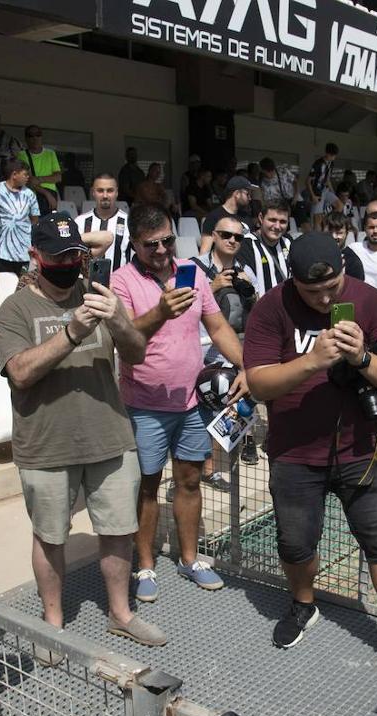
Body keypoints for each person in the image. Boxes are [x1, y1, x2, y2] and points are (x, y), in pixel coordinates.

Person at [242, 232, 377, 691]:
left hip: (363, 451)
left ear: (345, 266)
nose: (325, 298)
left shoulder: (370, 301)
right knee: (294, 543)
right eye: (312, 291)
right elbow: (260, 383)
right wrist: (312, 360)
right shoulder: (271, 307)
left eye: (332, 286)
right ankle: (303, 604)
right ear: (293, 281)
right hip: (295, 453)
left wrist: (362, 358)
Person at [0, 212, 166, 653]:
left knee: (117, 529)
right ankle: (53, 624)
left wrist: (119, 321)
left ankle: (120, 614)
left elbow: (136, 352)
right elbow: (20, 372)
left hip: (108, 436)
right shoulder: (16, 308)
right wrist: (72, 331)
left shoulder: (99, 294)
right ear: (35, 257)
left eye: (76, 255)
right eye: (59, 256)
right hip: (45, 444)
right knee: (51, 536)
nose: (70, 263)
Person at [112, 204, 246, 602]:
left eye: (168, 240)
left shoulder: (192, 272)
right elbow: (125, 337)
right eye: (151, 244)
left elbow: (217, 325)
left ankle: (190, 559)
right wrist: (160, 311)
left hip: (191, 403)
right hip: (144, 405)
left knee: (189, 481)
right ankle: (147, 565)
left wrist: (247, 366)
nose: (161, 250)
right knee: (147, 487)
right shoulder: (122, 281)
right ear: (134, 243)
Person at [0, 159, 41, 276]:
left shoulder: (30, 194)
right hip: (1, 250)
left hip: (23, 251)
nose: (28, 177)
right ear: (14, 174)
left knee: (21, 285)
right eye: (25, 174)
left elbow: (35, 219)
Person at [75, 173, 132, 272]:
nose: (105, 195)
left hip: (118, 284)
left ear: (117, 192)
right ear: (93, 192)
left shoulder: (129, 222)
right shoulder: (80, 222)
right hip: (86, 282)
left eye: (110, 190)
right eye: (100, 191)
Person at [239, 199, 291, 297]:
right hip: (260, 309)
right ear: (261, 218)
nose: (277, 226)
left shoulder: (288, 243)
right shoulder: (246, 244)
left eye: (283, 221)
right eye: (272, 220)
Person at [198, 175, 256, 254]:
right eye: (247, 194)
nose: (250, 198)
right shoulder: (214, 217)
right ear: (237, 194)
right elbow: (204, 251)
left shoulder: (246, 217)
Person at [22, 125, 61, 215]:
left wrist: (39, 179)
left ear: (41, 137)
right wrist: (47, 194)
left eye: (38, 135)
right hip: (31, 195)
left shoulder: (50, 153)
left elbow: (58, 177)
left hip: (50, 197)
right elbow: (28, 181)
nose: (35, 138)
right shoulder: (22, 155)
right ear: (26, 138)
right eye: (31, 135)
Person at [305, 143, 338, 230]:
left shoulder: (331, 164)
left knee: (339, 206)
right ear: (327, 153)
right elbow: (308, 181)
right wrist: (312, 196)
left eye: (334, 155)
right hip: (317, 192)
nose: (333, 157)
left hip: (326, 190)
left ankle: (328, 222)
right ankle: (318, 237)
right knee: (317, 219)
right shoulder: (318, 164)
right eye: (332, 155)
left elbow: (327, 180)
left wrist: (333, 193)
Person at [323, 211, 364, 281]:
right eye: (329, 232)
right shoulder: (313, 254)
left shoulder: (352, 261)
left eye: (339, 233)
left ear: (346, 233)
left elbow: (357, 288)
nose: (334, 236)